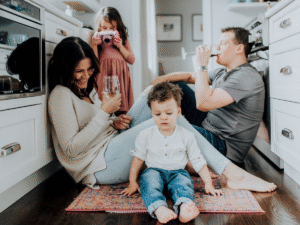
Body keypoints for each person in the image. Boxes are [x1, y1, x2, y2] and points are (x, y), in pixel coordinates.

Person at [48, 36, 276, 193]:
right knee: (169, 122)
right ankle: (231, 173)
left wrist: (113, 120)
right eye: (79, 71)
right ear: (64, 67)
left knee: (153, 93)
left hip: (110, 144)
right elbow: (71, 149)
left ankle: (198, 164)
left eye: (89, 70)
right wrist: (103, 115)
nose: (86, 76)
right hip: (97, 166)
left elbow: (94, 125)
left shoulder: (81, 91)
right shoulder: (60, 96)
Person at [151, 27, 265, 168]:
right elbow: (190, 76)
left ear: (239, 48)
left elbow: (203, 103)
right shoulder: (222, 72)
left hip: (223, 146)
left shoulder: (246, 76)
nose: (217, 48)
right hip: (208, 124)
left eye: (223, 43)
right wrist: (162, 78)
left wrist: (202, 65)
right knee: (173, 84)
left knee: (161, 126)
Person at [122, 82, 222, 224]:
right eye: (158, 113)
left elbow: (198, 160)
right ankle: (159, 208)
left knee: (184, 183)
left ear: (178, 112)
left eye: (168, 113)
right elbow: (138, 159)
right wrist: (132, 181)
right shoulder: (145, 134)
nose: (163, 117)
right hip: (154, 170)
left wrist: (208, 183)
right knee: (149, 182)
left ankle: (184, 207)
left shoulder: (186, 135)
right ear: (151, 113)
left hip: (178, 172)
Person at [91, 6, 135, 115]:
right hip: (103, 75)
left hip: (120, 76)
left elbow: (131, 60)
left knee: (121, 105)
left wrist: (120, 46)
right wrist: (94, 45)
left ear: (118, 28)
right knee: (104, 104)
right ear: (99, 28)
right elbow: (94, 62)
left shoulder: (122, 39)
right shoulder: (97, 40)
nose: (108, 31)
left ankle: (121, 121)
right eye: (104, 28)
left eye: (112, 28)